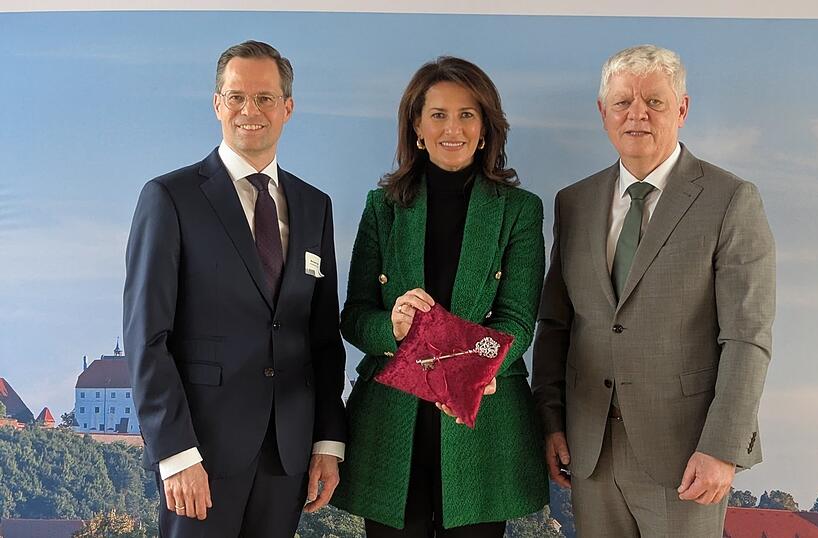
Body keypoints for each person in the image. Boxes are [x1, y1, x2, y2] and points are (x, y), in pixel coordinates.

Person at [532, 44, 775, 537]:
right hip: (590, 449)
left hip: (687, 456)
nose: (636, 114)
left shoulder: (731, 200)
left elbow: (747, 338)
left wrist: (722, 447)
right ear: (603, 113)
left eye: (655, 102)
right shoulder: (573, 203)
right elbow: (557, 324)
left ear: (682, 109)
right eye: (622, 102)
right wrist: (552, 419)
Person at [123, 40, 346, 537]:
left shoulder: (315, 206)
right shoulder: (169, 198)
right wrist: (175, 453)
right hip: (200, 454)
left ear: (287, 108)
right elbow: (147, 339)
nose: (251, 111)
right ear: (217, 105)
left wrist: (328, 443)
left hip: (287, 455)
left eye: (265, 98)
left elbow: (324, 339)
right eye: (237, 97)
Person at [331, 56, 548, 537]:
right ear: (417, 127)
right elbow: (354, 316)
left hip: (481, 427)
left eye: (468, 114)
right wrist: (393, 326)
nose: (454, 128)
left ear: (487, 128)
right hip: (391, 428)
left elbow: (515, 322)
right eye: (438, 114)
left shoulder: (520, 211)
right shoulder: (381, 207)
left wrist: (477, 368)